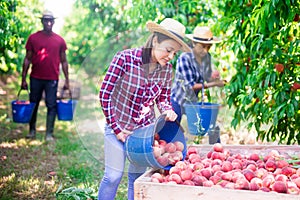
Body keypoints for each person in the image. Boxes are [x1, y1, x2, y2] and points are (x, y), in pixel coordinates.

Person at [98, 18, 190, 200]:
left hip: (143, 133)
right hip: (118, 126)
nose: (171, 56)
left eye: (175, 53)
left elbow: (163, 98)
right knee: (113, 176)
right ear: (155, 40)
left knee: (137, 179)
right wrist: (117, 129)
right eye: (168, 50)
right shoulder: (124, 59)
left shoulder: (166, 70)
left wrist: (167, 110)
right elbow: (104, 95)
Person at [171, 26, 226, 144]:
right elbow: (190, 86)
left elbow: (206, 77)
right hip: (179, 101)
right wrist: (213, 84)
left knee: (212, 126)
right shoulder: (184, 59)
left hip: (193, 102)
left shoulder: (206, 57)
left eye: (209, 47)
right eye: (202, 46)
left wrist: (214, 77)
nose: (205, 50)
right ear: (193, 43)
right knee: (172, 132)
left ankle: (217, 152)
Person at [21, 10, 69, 141]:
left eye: (50, 20)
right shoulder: (33, 38)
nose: (48, 22)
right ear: (42, 21)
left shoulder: (60, 40)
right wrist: (23, 78)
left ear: (53, 22)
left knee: (51, 105)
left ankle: (49, 133)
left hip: (52, 79)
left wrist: (67, 80)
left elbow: (64, 61)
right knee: (33, 103)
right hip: (35, 77)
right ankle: (32, 130)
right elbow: (27, 59)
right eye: (45, 20)